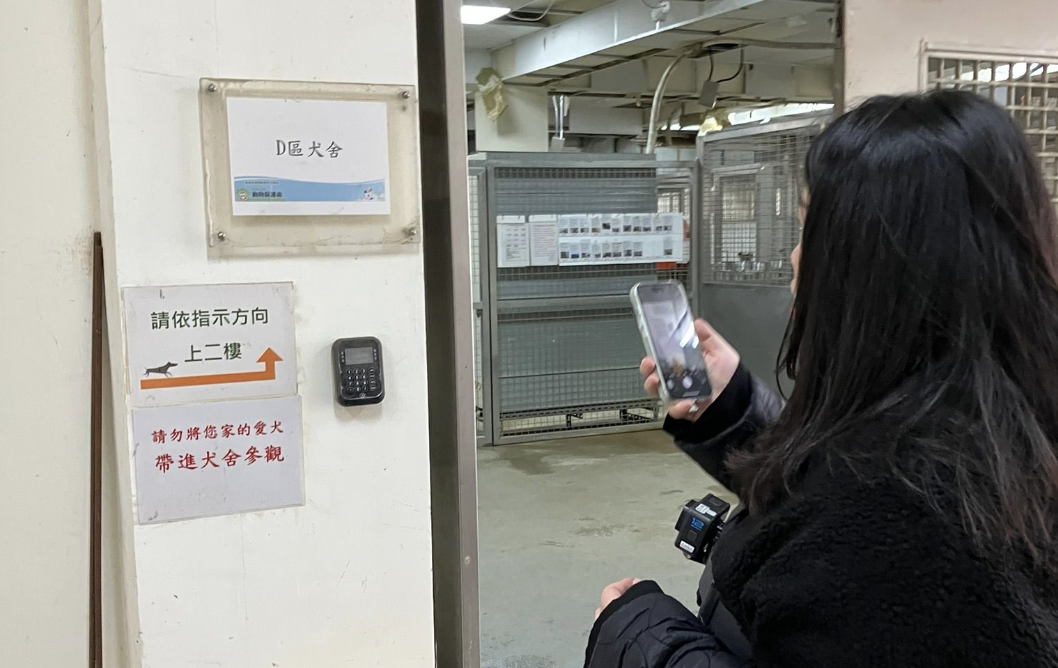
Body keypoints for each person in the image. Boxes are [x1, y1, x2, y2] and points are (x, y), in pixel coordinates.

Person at [585, 91, 1058, 667]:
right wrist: (733, 406)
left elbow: (850, 519)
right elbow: (831, 490)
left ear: (871, 261)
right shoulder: (991, 423)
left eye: (809, 228)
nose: (793, 257)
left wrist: (638, 632)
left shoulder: (904, 521)